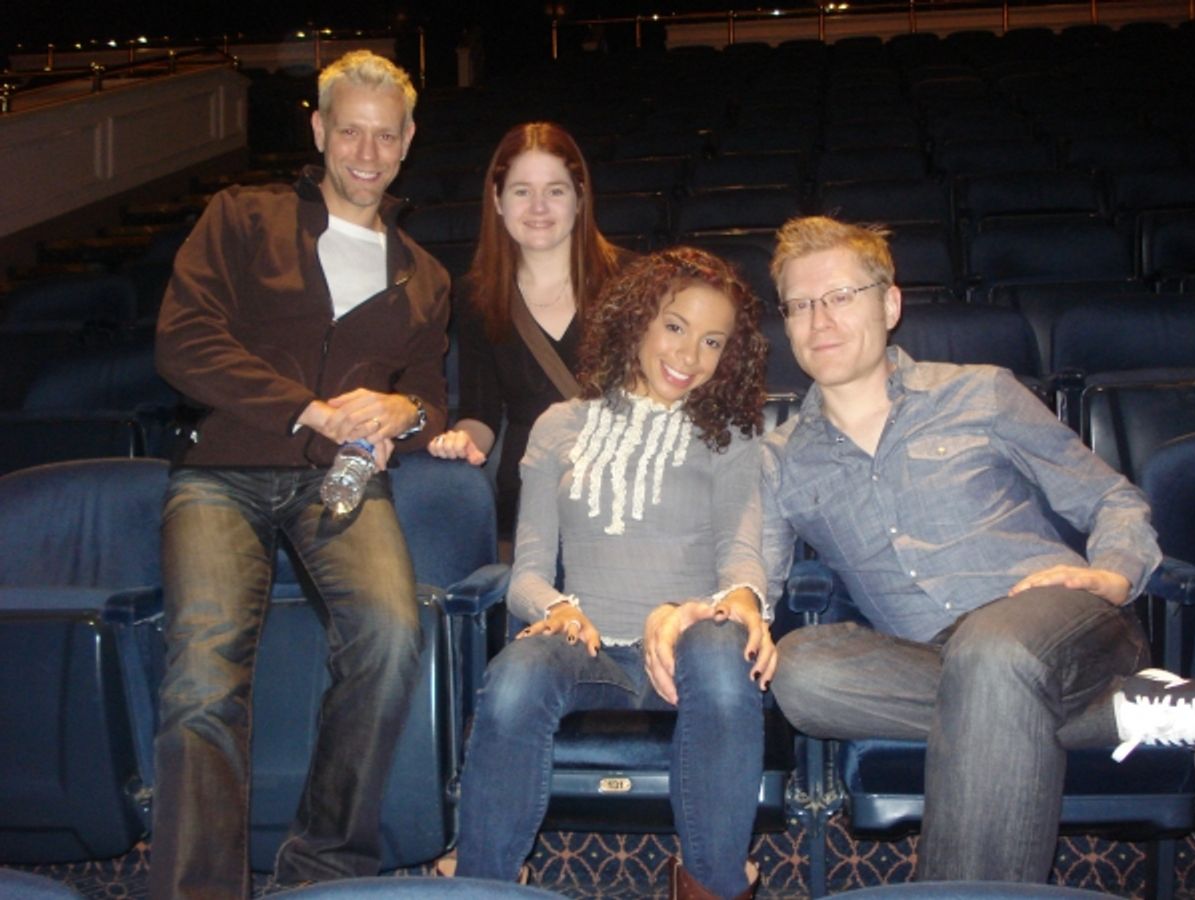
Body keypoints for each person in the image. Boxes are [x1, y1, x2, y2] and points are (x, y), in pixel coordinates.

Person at [761, 215, 1195, 884]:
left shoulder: (981, 392)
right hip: (929, 655)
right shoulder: (782, 458)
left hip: (1056, 618)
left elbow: (1111, 499)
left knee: (994, 651)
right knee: (799, 673)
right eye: (800, 304)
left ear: (890, 302)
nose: (820, 318)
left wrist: (1112, 574)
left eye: (842, 295)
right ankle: (1121, 711)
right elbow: (749, 573)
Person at [151, 50, 449, 899]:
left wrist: (406, 414)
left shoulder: (423, 275)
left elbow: (426, 390)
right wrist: (308, 408)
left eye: (385, 135)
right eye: (348, 130)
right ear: (317, 130)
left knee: (393, 638)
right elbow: (184, 343)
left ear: (408, 142)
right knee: (204, 672)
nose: (366, 151)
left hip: (343, 485)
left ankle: (322, 868)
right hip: (223, 472)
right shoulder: (241, 216)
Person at [453, 247, 774, 899]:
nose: (690, 356)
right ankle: (483, 884)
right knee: (518, 672)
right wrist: (558, 608)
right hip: (592, 650)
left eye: (713, 342)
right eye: (676, 327)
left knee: (721, 648)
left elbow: (740, 556)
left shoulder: (730, 437)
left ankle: (711, 884)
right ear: (636, 321)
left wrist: (742, 601)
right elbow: (526, 575)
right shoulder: (559, 425)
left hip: (685, 648)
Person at [426, 121, 625, 543]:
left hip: (622, 488)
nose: (538, 208)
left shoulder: (633, 280)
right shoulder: (478, 296)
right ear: (497, 201)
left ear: (580, 197)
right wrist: (462, 441)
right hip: (529, 497)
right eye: (521, 191)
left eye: (555, 190)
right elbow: (481, 413)